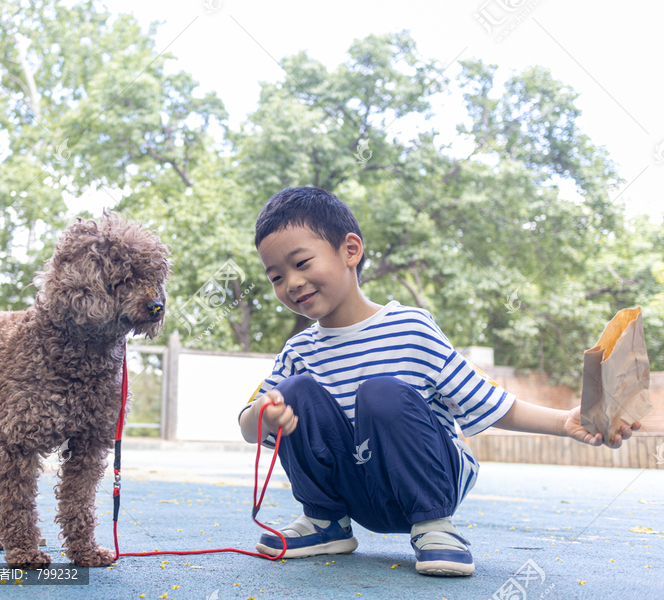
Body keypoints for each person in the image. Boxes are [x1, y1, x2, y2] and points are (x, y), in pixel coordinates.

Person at [237, 186, 641, 577]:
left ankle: (433, 526)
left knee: (380, 392)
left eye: (301, 263)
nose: (290, 283)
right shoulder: (299, 350)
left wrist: (564, 421)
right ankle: (325, 523)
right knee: (287, 392)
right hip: (356, 490)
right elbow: (247, 423)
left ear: (350, 250)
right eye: (275, 276)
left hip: (425, 480)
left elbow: (485, 398)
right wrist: (264, 416)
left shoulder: (409, 328)